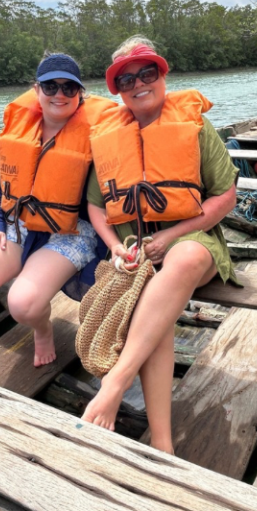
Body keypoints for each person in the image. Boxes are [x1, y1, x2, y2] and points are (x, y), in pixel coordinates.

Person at [83, 36, 240, 454]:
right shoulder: (110, 135)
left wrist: (169, 235)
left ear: (162, 74)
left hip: (192, 236)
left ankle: (115, 382)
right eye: (126, 79)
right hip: (137, 247)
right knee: (157, 315)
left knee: (185, 257)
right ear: (118, 89)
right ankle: (164, 444)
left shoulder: (194, 125)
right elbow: (96, 206)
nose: (138, 84)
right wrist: (115, 245)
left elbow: (225, 197)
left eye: (146, 73)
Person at [0, 53, 116, 375]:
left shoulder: (99, 135)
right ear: (36, 88)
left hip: (71, 229)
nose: (59, 94)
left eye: (69, 88)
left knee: (22, 304)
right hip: (19, 222)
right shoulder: (21, 129)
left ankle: (42, 328)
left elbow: (111, 194)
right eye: (50, 86)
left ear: (80, 93)